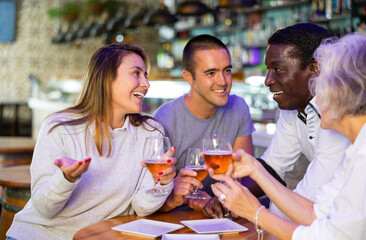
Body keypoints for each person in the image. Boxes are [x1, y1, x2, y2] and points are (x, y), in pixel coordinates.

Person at [6, 43, 176, 240]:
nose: (146, 84)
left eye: (145, 75)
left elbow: (142, 207)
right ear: (106, 79)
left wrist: (162, 182)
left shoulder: (151, 133)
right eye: (136, 73)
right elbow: (44, 209)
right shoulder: (60, 127)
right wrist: (66, 179)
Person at [210, 33, 366, 239]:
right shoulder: (355, 150)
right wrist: (255, 169)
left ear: (346, 90)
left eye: (324, 83)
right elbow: (316, 212)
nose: (317, 92)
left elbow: (325, 235)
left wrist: (254, 212)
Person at [153, 34, 255, 212]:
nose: (223, 81)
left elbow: (245, 175)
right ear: (189, 77)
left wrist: (218, 201)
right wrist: (171, 198)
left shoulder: (238, 108)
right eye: (211, 73)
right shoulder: (164, 119)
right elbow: (148, 198)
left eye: (227, 70)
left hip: (218, 215)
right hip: (172, 219)